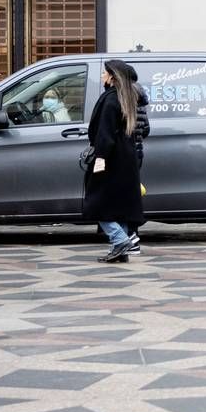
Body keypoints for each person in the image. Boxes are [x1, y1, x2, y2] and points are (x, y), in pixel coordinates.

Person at [82, 59, 144, 264]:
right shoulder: (126, 98)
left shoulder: (110, 100)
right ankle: (120, 250)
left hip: (111, 158)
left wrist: (100, 158)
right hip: (126, 159)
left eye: (104, 73)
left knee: (97, 202)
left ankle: (120, 240)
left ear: (112, 77)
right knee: (121, 206)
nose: (101, 76)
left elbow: (105, 134)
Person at [120, 65, 152, 253]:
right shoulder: (139, 95)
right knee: (131, 194)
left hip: (126, 152)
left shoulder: (125, 94)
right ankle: (131, 234)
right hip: (137, 150)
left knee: (123, 195)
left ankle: (129, 237)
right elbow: (146, 128)